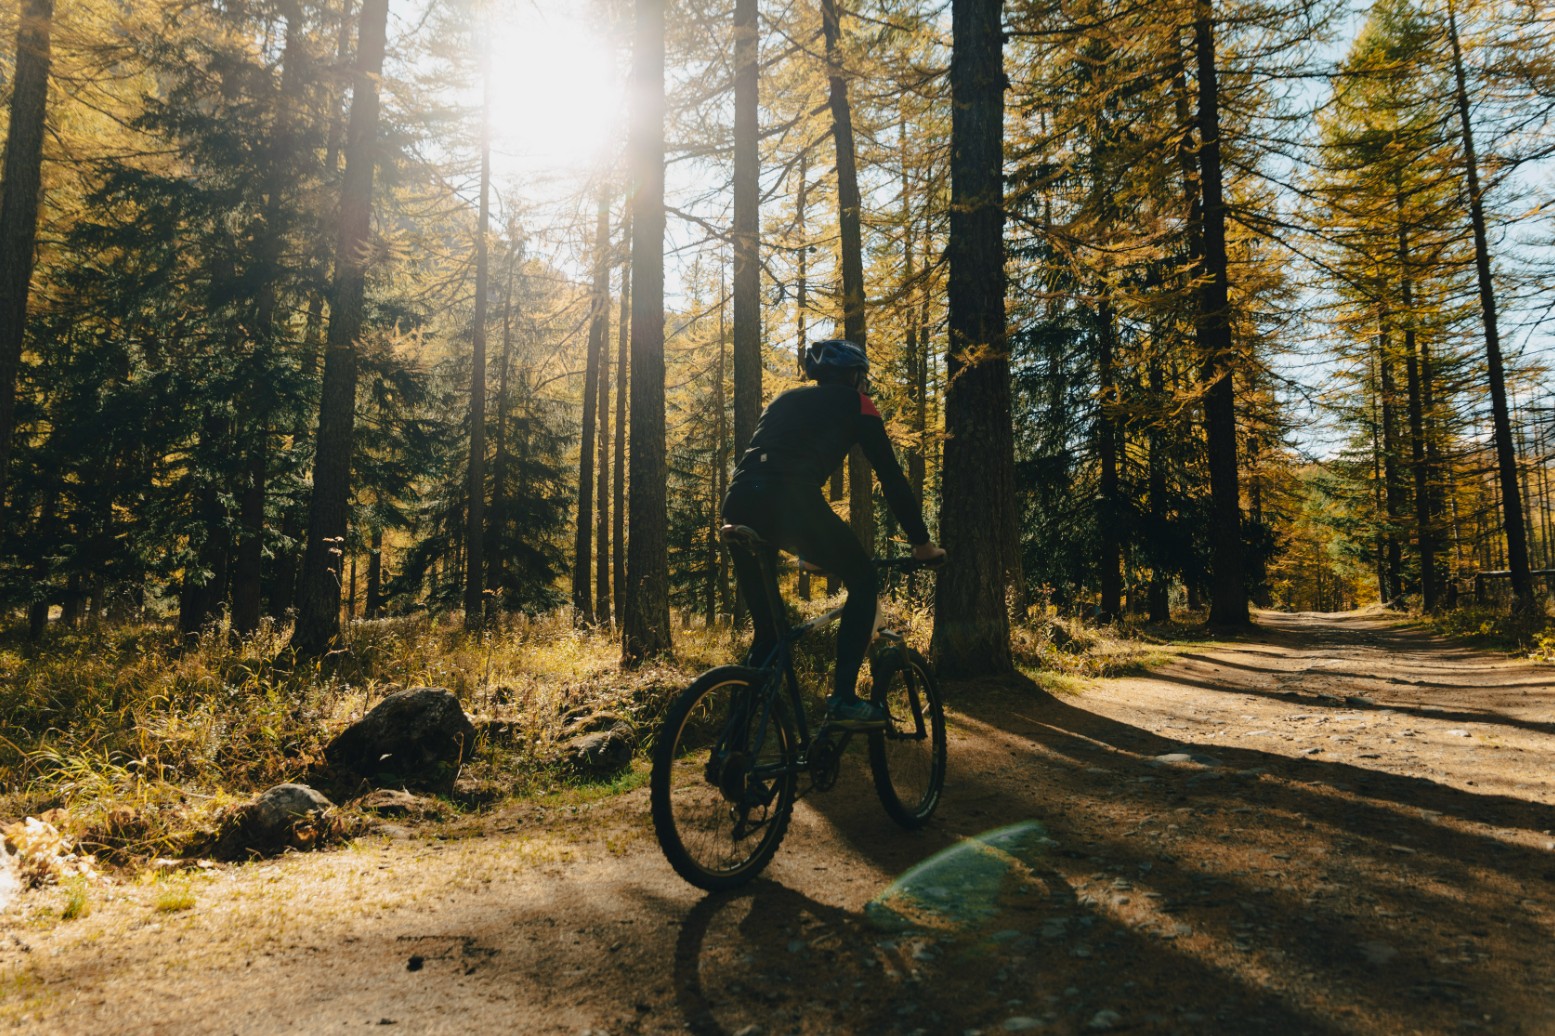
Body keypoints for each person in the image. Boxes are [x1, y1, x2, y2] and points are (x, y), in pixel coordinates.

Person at [722, 339, 945, 729]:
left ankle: (733, 749)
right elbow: (891, 477)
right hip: (789, 499)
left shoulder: (781, 402)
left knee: (769, 635)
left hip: (738, 500)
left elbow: (774, 461)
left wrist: (813, 551)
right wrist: (921, 542)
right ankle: (843, 698)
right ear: (856, 378)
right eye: (864, 379)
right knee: (862, 578)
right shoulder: (858, 404)